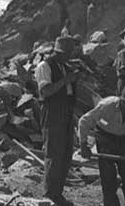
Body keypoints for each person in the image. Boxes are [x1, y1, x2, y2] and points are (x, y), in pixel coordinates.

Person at [78, 86, 125, 206]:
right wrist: (83, 144)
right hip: (104, 138)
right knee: (108, 178)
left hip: (123, 140)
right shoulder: (107, 106)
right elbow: (84, 122)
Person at [35, 36, 81, 206]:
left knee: (65, 154)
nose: (68, 57)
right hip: (52, 112)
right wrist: (66, 80)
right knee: (53, 153)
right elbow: (46, 91)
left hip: (66, 113)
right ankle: (50, 194)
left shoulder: (64, 66)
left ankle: (58, 193)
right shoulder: (44, 66)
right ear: (58, 53)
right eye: (66, 54)